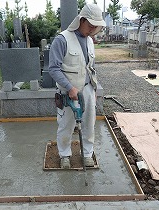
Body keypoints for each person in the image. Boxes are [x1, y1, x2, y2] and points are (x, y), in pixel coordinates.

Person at [49, 4, 106, 169]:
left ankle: (87, 154)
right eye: (90, 25)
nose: (92, 29)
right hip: (69, 92)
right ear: (81, 20)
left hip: (87, 89)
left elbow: (91, 68)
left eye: (96, 26)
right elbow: (53, 68)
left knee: (89, 124)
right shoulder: (62, 39)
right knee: (66, 125)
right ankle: (64, 155)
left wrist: (93, 89)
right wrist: (69, 87)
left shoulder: (89, 41)